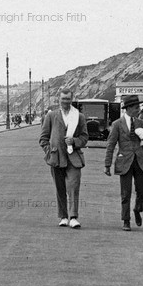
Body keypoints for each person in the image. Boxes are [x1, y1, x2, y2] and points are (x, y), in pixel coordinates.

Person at [39, 88, 89, 229]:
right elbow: (43, 138)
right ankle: (63, 216)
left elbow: (85, 137)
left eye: (68, 99)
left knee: (73, 186)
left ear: (72, 99)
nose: (65, 102)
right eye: (63, 99)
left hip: (74, 158)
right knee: (59, 188)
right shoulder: (51, 116)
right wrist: (50, 152)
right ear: (59, 100)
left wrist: (74, 141)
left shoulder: (79, 116)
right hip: (56, 157)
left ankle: (73, 217)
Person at [104, 95, 143, 231]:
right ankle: (126, 220)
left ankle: (137, 208)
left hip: (139, 161)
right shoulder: (117, 124)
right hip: (124, 161)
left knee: (142, 191)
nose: (138, 110)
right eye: (136, 108)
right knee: (126, 193)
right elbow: (111, 145)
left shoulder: (141, 123)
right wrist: (107, 165)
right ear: (129, 108)